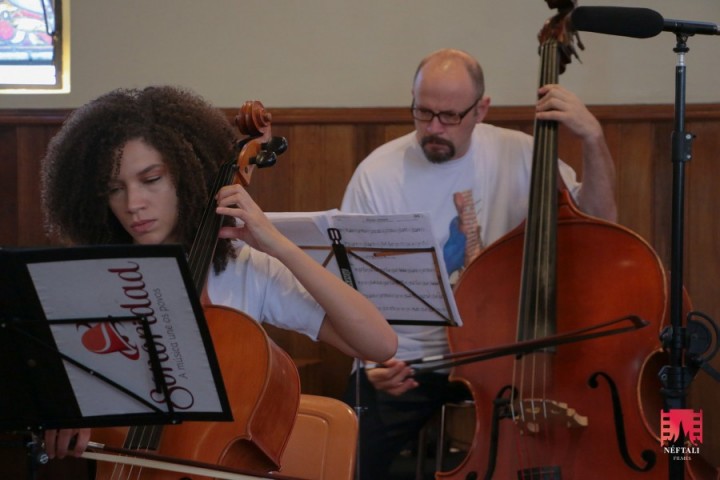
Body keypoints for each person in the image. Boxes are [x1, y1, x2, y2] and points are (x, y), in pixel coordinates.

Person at [38, 85, 397, 462]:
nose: (133, 204)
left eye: (151, 179)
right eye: (115, 188)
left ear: (189, 174)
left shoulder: (243, 269)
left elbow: (378, 343)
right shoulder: (88, 279)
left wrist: (279, 245)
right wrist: (61, 408)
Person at [341, 48, 617, 479]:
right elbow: (350, 291)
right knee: (343, 458)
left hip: (512, 356)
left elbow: (601, 228)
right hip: (412, 361)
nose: (433, 128)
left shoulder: (522, 153)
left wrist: (593, 140)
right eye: (422, 112)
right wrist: (371, 362)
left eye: (449, 116)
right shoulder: (377, 175)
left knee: (606, 436)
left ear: (481, 109)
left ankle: (682, 457)